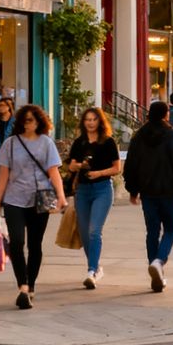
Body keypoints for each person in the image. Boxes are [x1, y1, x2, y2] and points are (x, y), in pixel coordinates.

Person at [0, 104, 67, 310]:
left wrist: (61, 196)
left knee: (35, 245)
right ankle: (22, 286)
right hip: (14, 198)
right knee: (16, 242)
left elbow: (54, 172)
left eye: (32, 119)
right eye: (25, 120)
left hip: (40, 199)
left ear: (39, 121)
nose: (28, 123)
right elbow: (3, 175)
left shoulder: (46, 143)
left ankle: (30, 286)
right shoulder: (11, 144)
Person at [123, 101, 173, 292]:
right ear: (166, 115)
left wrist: (132, 190)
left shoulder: (139, 137)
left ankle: (154, 267)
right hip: (170, 191)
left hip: (148, 193)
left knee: (152, 231)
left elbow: (131, 165)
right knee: (171, 228)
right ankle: (159, 261)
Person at [67, 106, 121, 289]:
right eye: (87, 120)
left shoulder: (108, 142)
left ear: (100, 121)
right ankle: (97, 267)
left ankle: (91, 271)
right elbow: (71, 166)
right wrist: (79, 166)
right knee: (84, 233)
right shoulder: (79, 142)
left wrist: (99, 173)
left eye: (93, 119)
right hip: (82, 191)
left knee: (94, 231)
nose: (90, 123)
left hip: (102, 189)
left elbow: (117, 168)